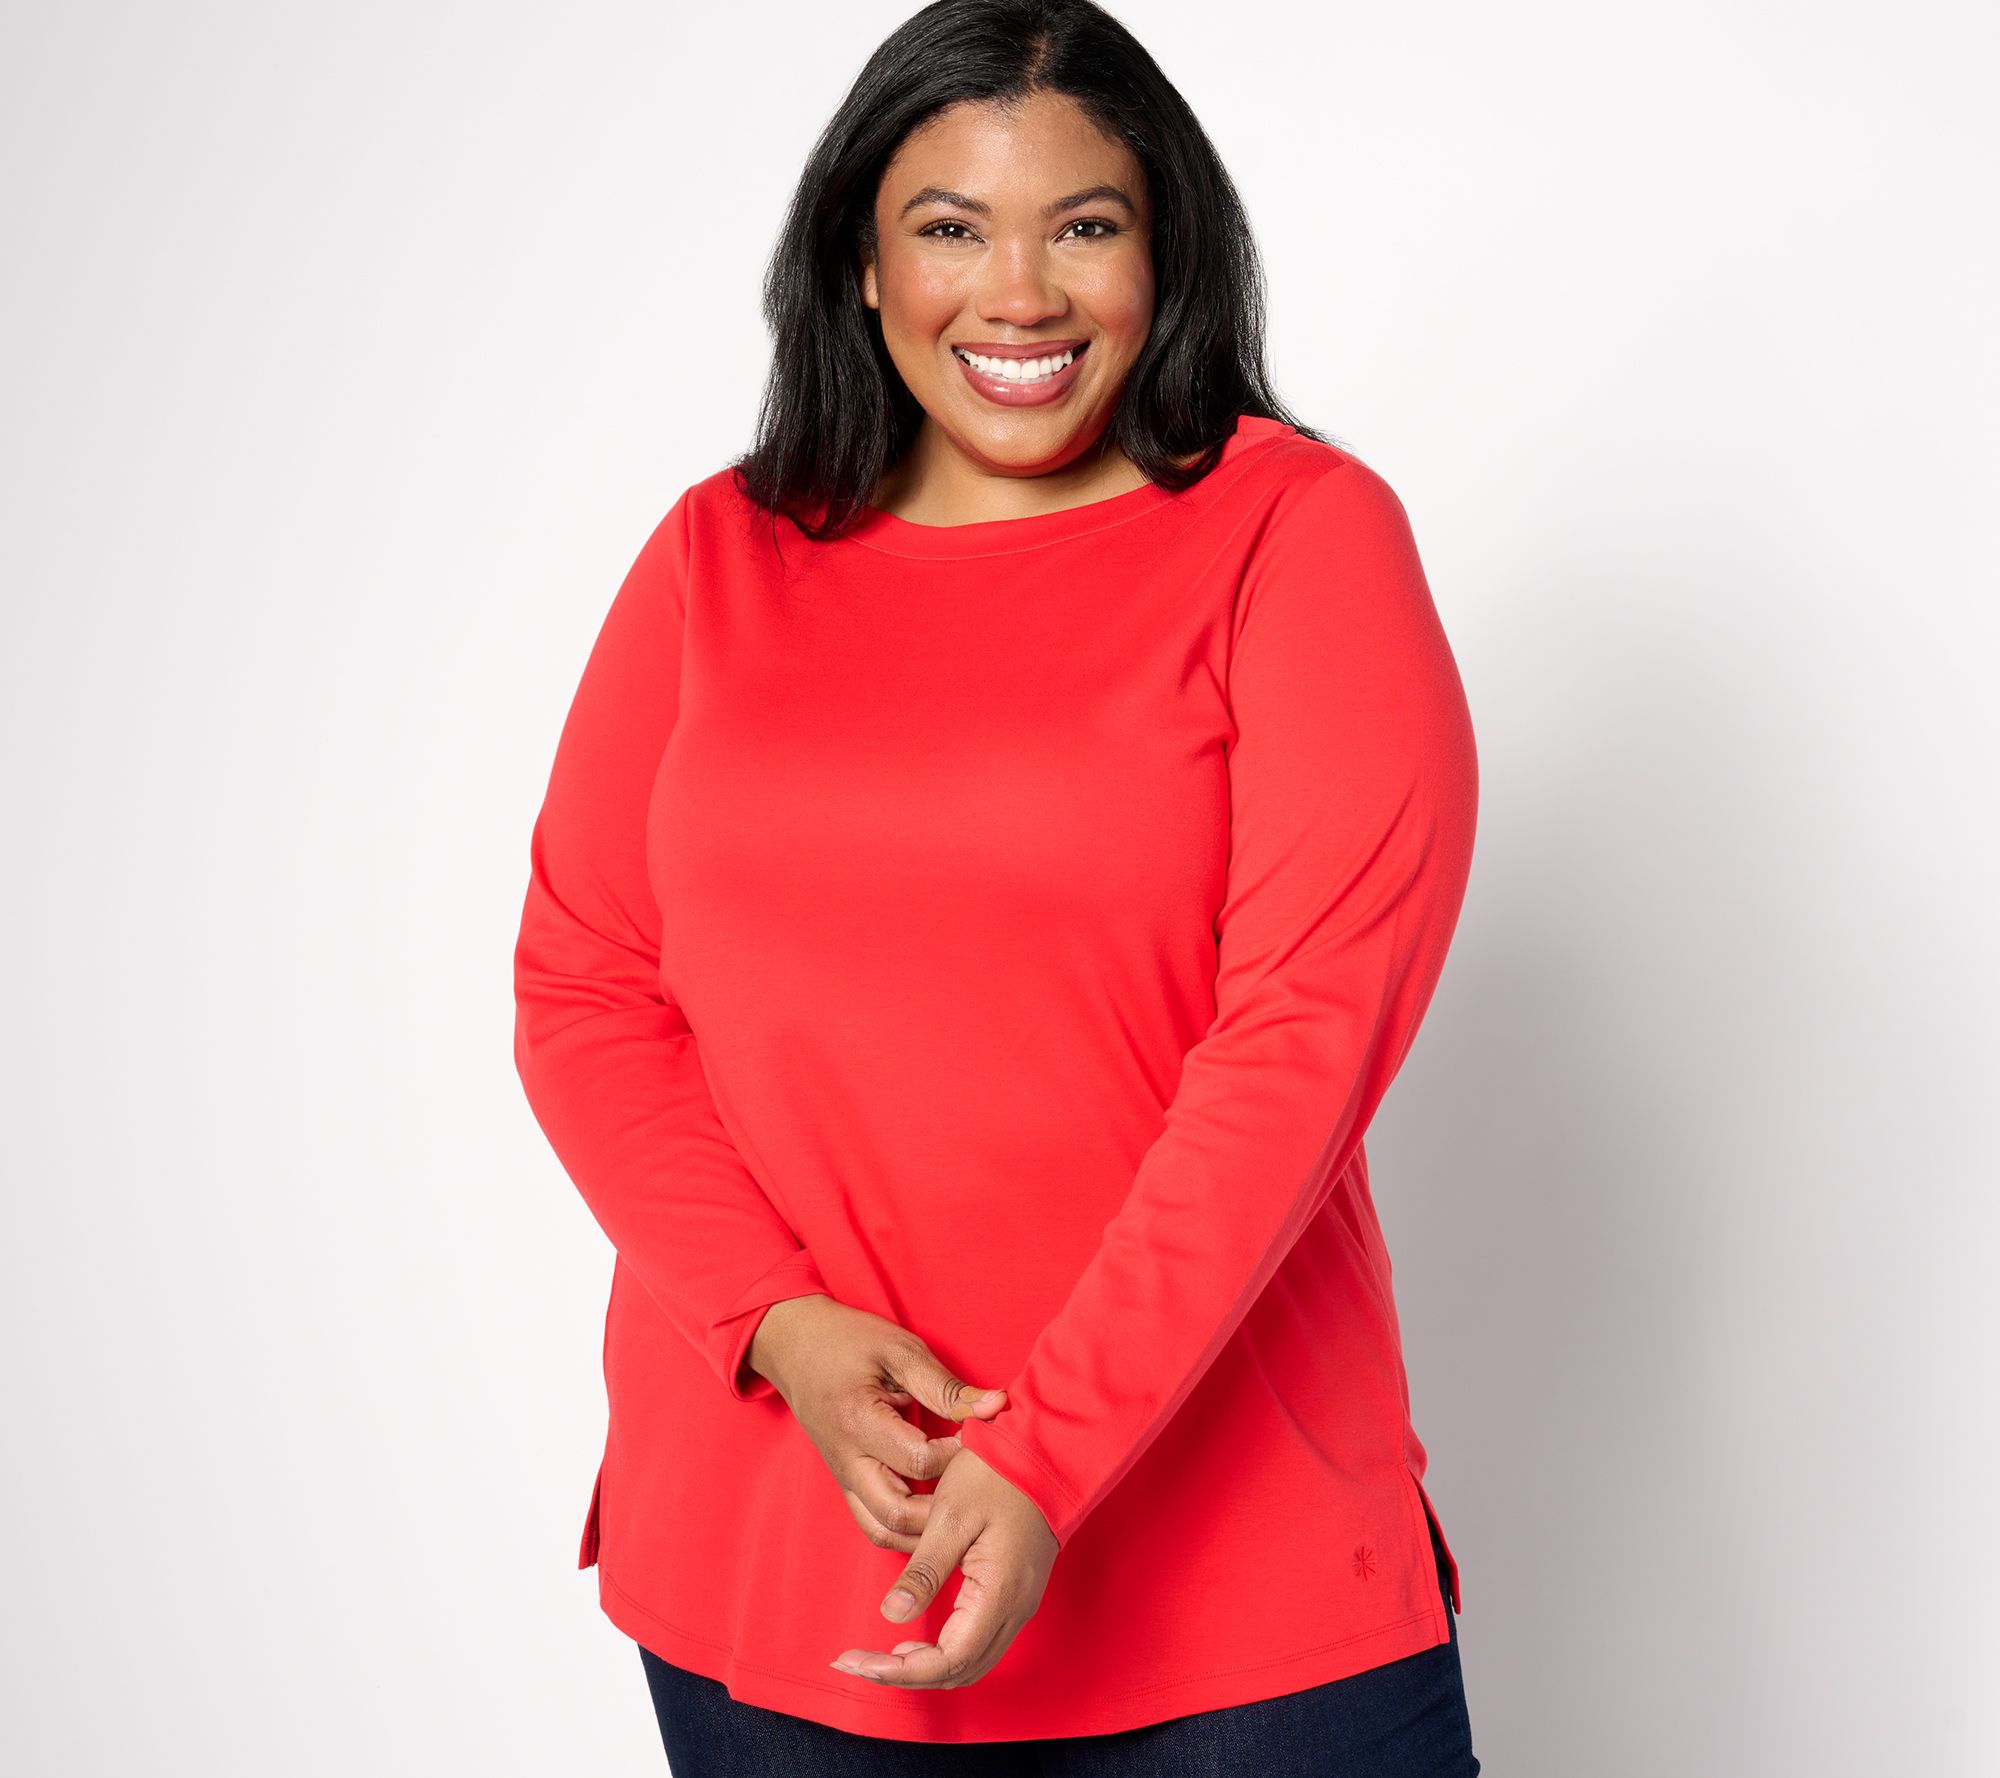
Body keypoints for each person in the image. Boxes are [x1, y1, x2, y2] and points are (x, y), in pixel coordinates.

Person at [510, 0, 1483, 1770]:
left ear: (1167, 251)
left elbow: (1302, 1040)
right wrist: (776, 1326)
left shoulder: (1297, 535)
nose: (1018, 294)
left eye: (1085, 225)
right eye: (951, 227)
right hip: (776, 1545)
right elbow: (587, 990)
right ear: (862, 265)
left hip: (1226, 1588)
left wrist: (1047, 1451)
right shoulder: (718, 558)